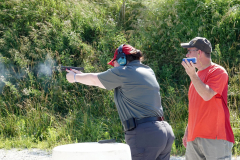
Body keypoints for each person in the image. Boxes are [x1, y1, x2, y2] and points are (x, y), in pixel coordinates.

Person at [66, 44, 175, 160]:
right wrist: (81, 75)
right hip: (164, 132)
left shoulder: (123, 71)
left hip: (145, 135)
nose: (114, 66)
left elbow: (95, 80)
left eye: (114, 62)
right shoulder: (147, 70)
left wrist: (74, 78)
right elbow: (101, 80)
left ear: (122, 59)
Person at [181, 37, 235, 160]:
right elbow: (195, 107)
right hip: (194, 137)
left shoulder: (218, 71)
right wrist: (187, 131)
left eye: (189, 51)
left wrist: (192, 75)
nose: (187, 54)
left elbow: (207, 95)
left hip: (215, 137)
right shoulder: (196, 76)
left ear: (199, 52)